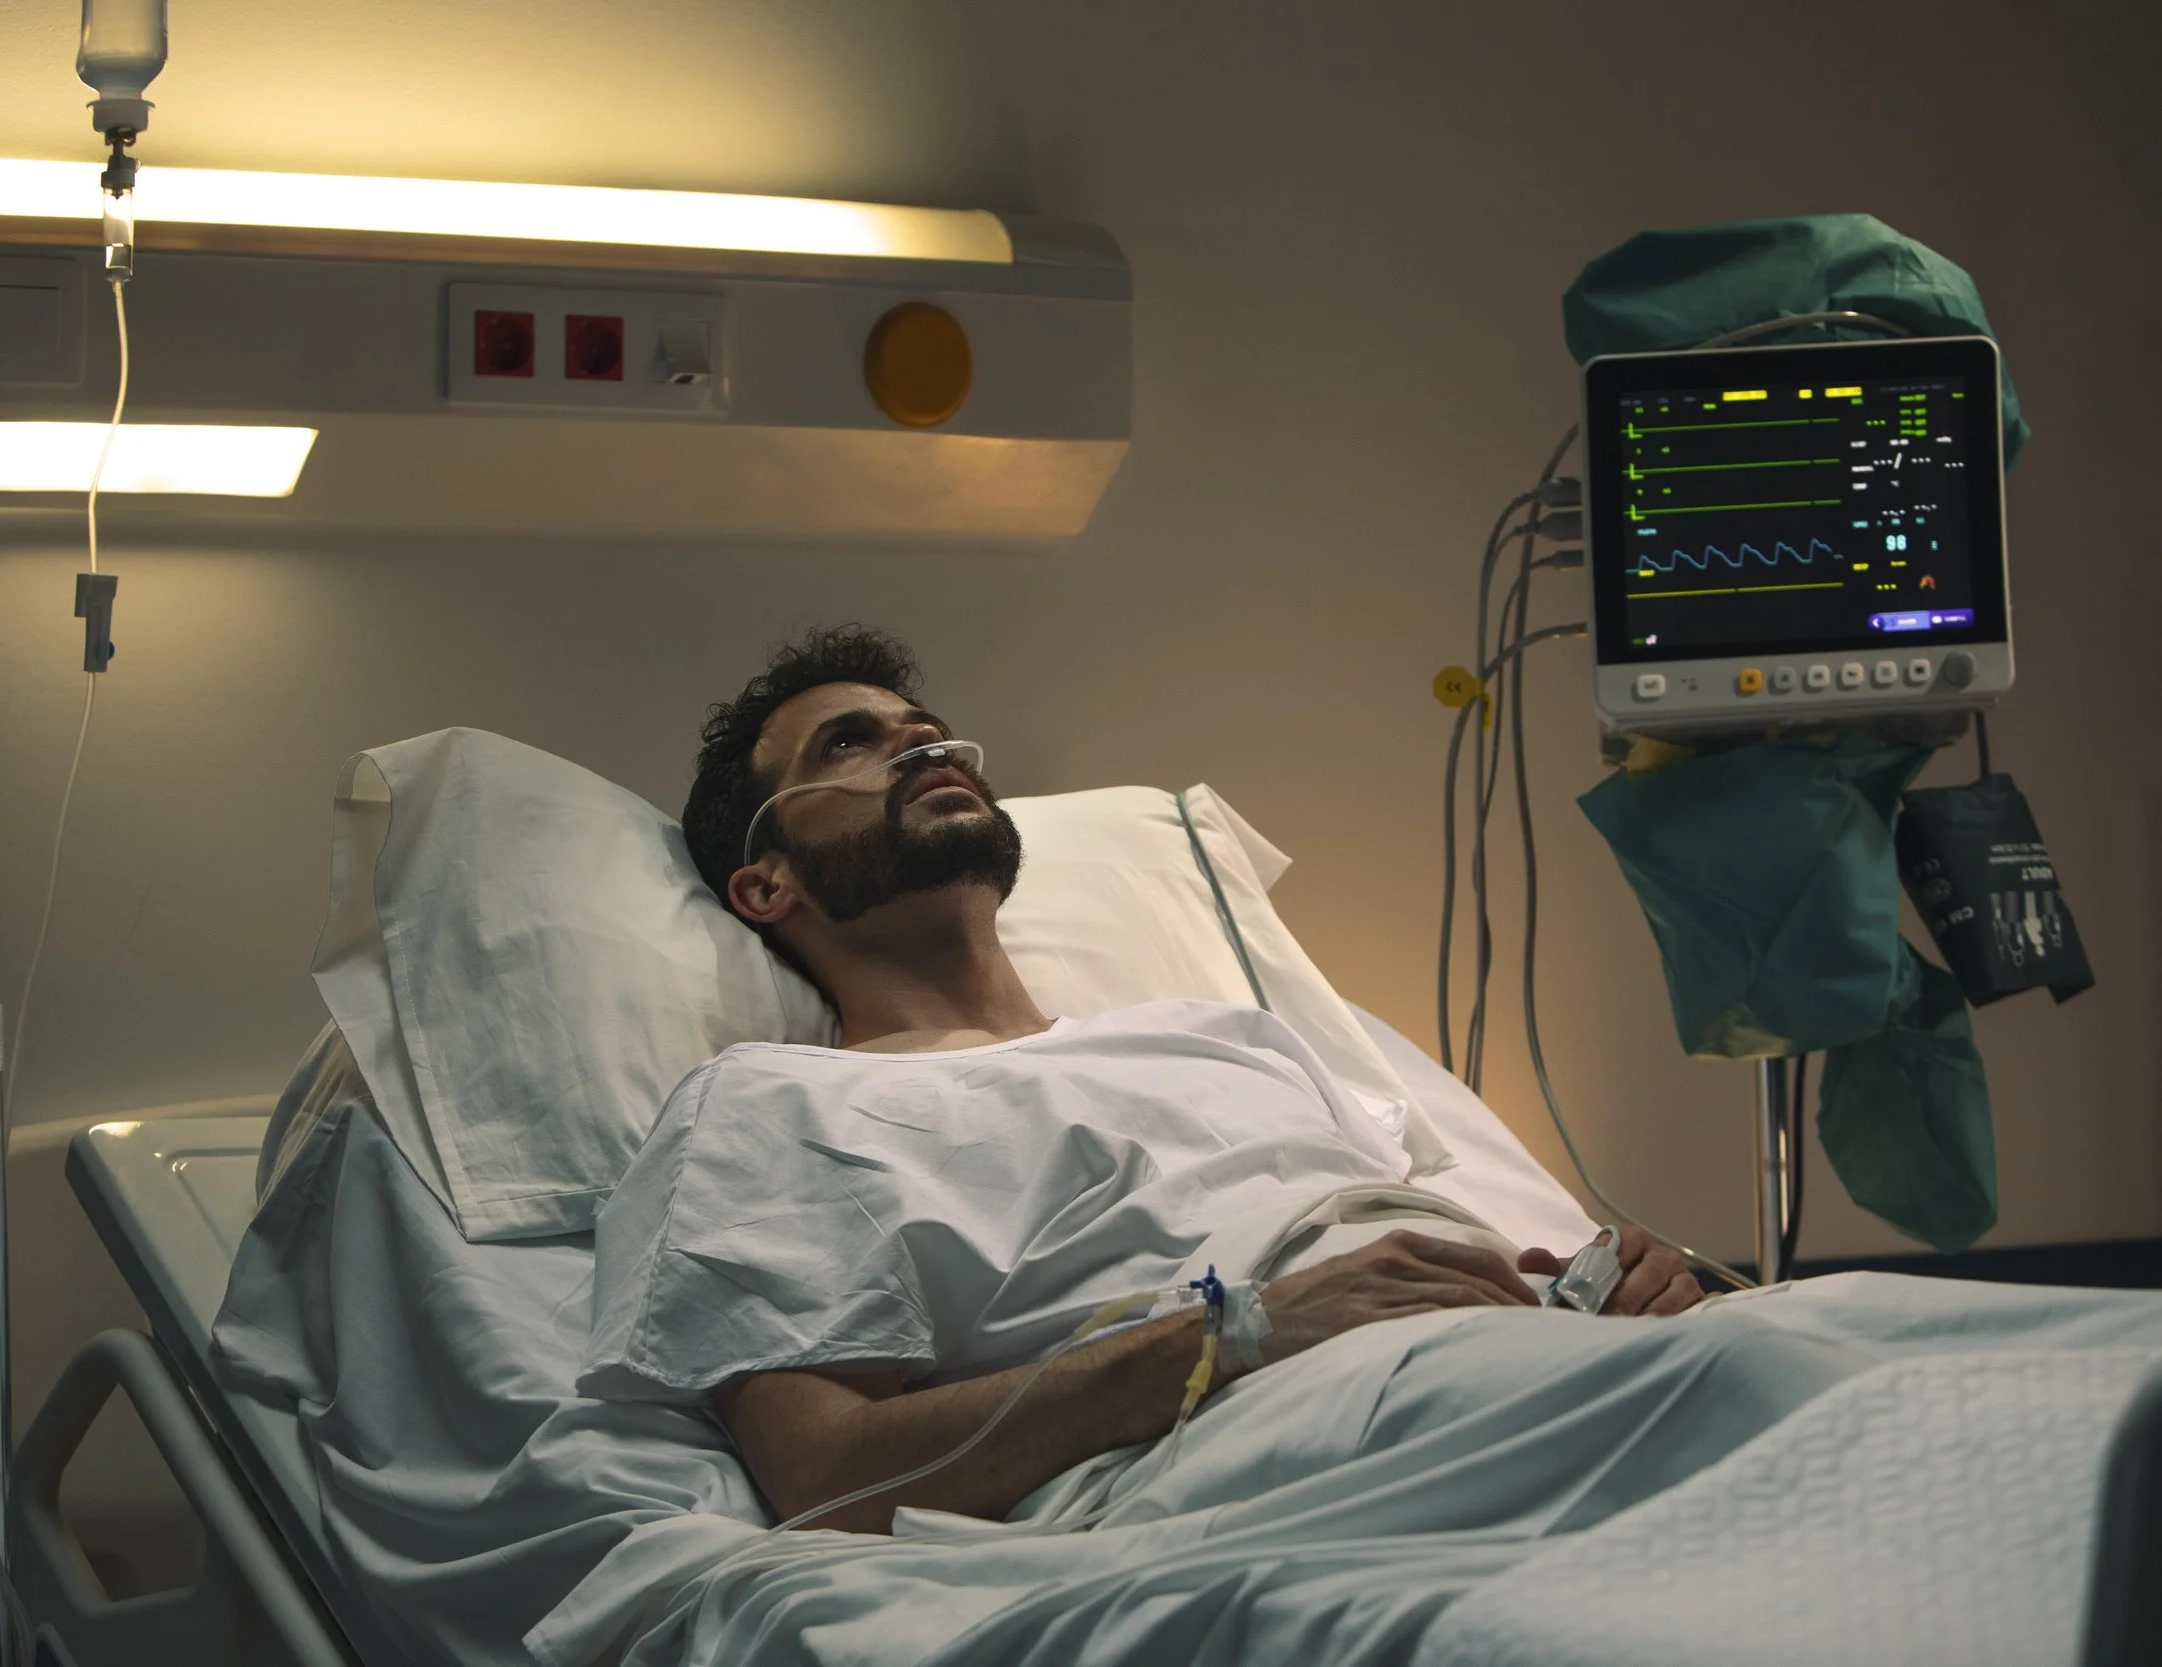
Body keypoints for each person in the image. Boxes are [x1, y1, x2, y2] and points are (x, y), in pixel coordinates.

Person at [579, 626, 1703, 1535]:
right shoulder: (769, 1105)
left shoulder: (1230, 1032)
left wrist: (1625, 1278)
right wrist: (1238, 1332)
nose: (927, 750)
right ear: (764, 883)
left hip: (1525, 1344)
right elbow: (825, 1474)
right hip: (1276, 1421)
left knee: (1856, 1345)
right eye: (849, 745)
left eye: (929, 733)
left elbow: (1417, 1254)